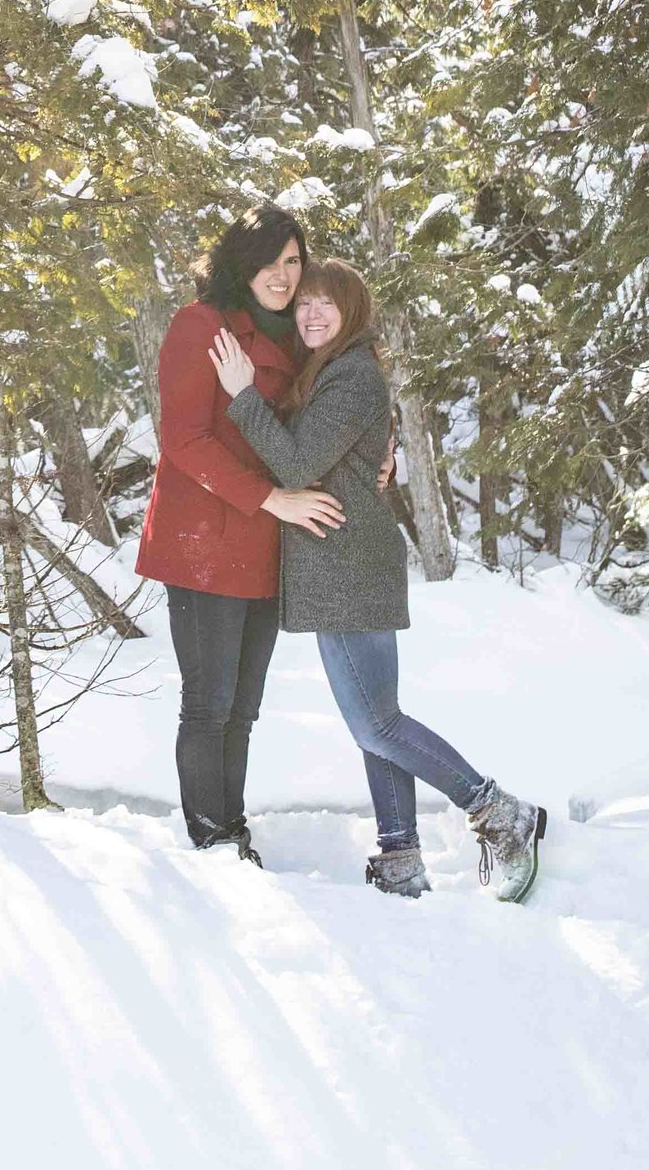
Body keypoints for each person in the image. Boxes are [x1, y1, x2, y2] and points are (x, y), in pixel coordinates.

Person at [211, 261, 546, 903]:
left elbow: (298, 462)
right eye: (302, 304)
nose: (310, 314)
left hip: (351, 568)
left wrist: (241, 393)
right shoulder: (330, 371)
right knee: (376, 720)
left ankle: (500, 812)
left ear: (353, 312)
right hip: (337, 568)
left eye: (325, 305)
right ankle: (400, 857)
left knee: (377, 725)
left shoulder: (353, 376)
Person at [137, 206, 348, 859]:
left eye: (293, 261)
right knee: (210, 703)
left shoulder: (293, 337)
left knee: (244, 709)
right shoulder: (200, 325)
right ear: (239, 261)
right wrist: (269, 498)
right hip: (203, 541)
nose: (283, 276)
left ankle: (233, 828)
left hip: (262, 541)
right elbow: (185, 440)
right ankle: (212, 834)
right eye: (269, 261)